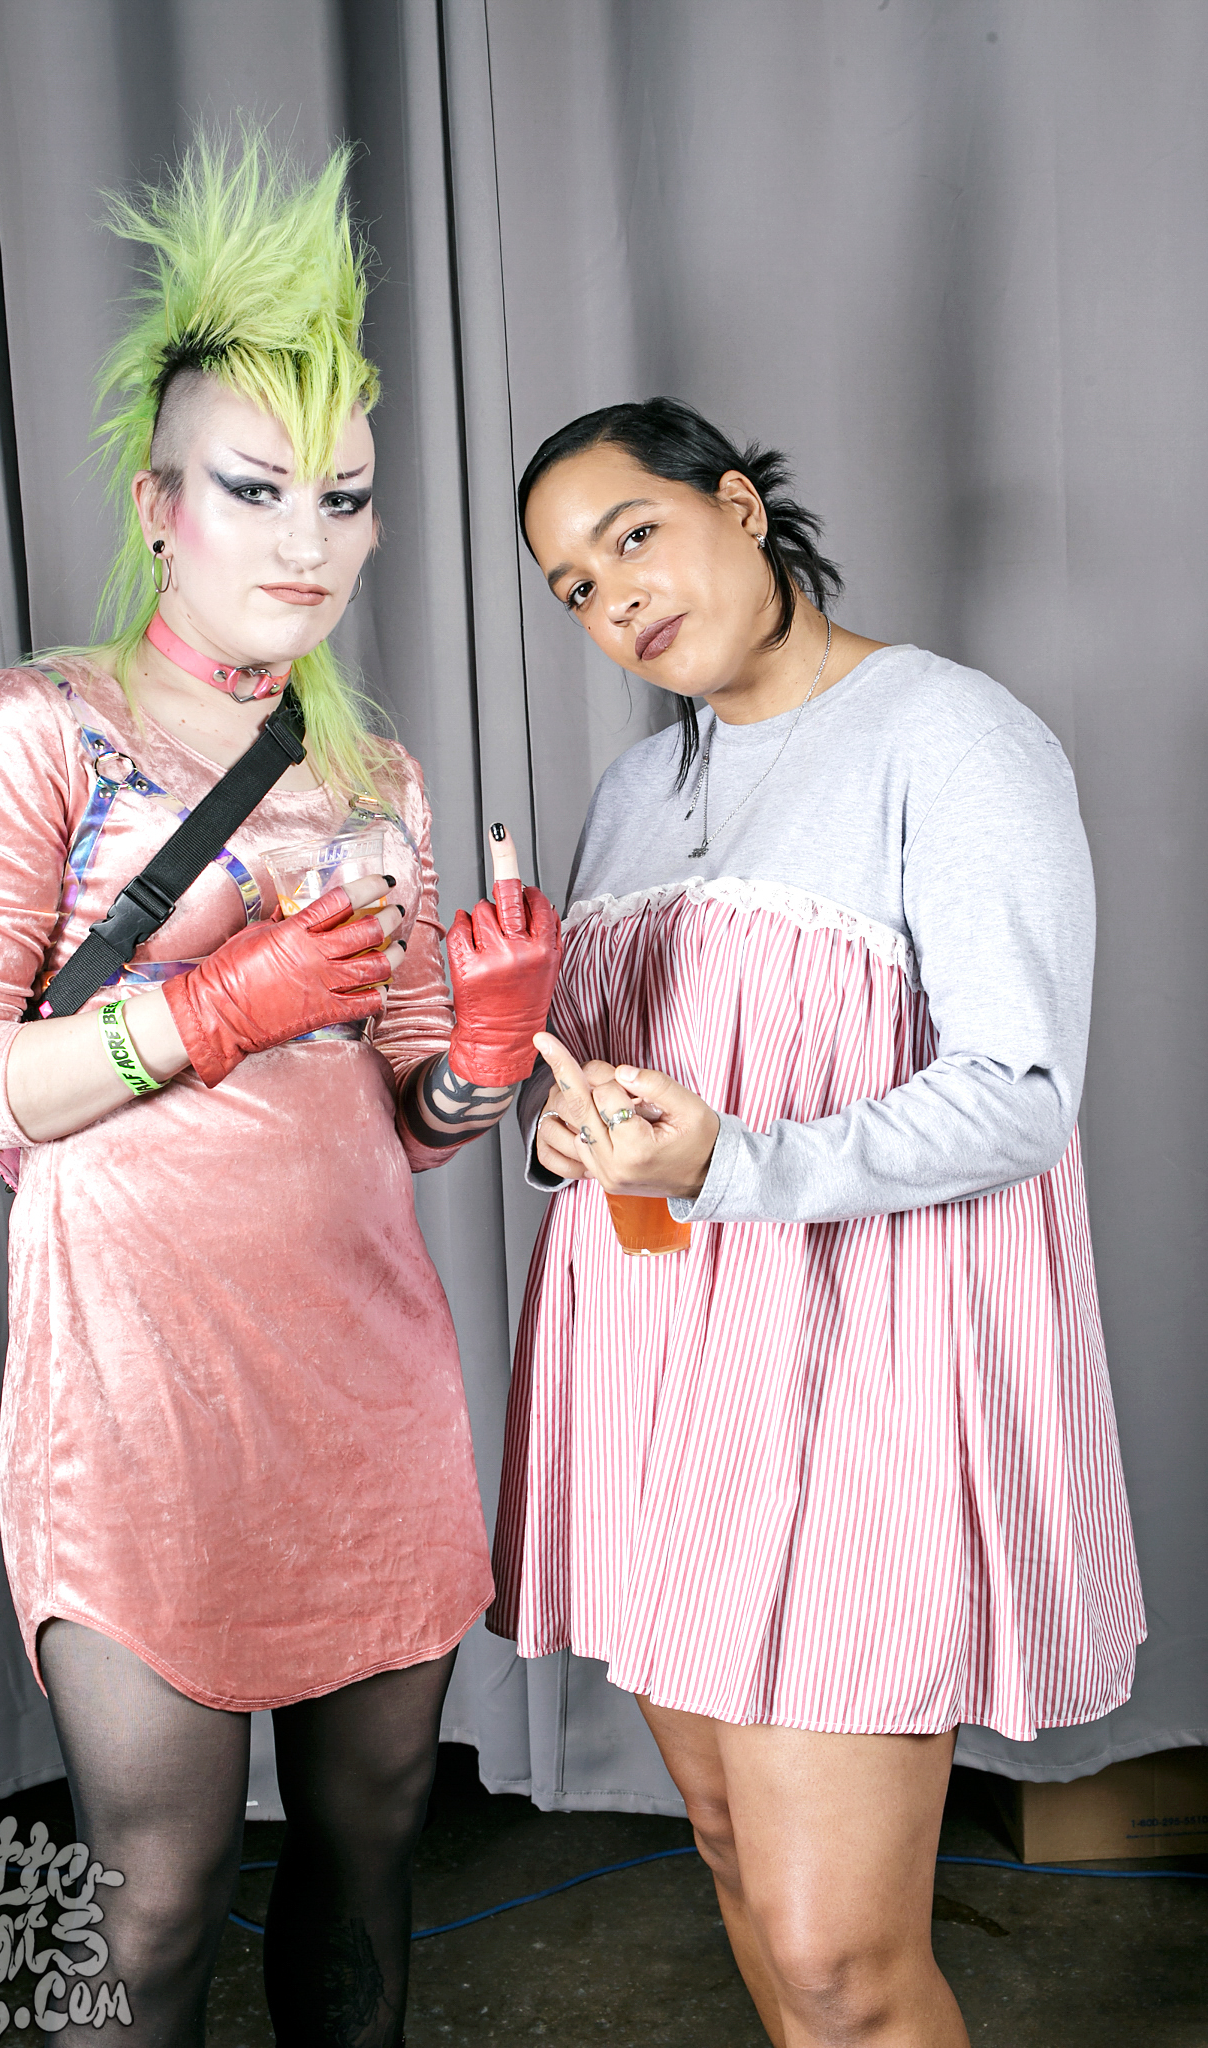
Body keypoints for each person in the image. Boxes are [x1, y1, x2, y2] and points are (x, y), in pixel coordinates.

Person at [0, 134, 560, 2048]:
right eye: (257, 488)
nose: (306, 541)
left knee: (371, 1850)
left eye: (343, 498)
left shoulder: (375, 781)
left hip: (367, 1385)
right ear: (158, 506)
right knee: (156, 1900)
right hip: (138, 1400)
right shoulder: (38, 733)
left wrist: (480, 1051)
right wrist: (207, 1012)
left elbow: (410, 1122)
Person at [488, 397, 1144, 2048]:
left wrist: (727, 1160)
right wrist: (563, 1127)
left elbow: (1017, 1096)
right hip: (655, 1383)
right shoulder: (635, 789)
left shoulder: (950, 735)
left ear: (736, 505)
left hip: (852, 1388)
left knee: (841, 1964)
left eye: (633, 537)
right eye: (574, 587)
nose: (615, 599)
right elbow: (610, 1084)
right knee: (732, 1859)